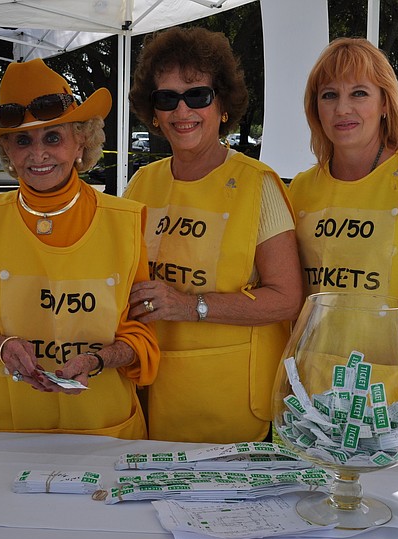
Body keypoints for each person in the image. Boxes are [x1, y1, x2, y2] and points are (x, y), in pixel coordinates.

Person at [0, 59, 159, 438]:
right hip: (8, 427)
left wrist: (99, 359)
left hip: (103, 427)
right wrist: (1, 346)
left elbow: (142, 337)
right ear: (7, 149)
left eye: (52, 137)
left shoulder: (125, 221)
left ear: (81, 141)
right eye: (22, 140)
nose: (37, 154)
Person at [125, 27, 303, 444]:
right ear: (153, 112)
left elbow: (287, 298)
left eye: (197, 95)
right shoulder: (140, 184)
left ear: (222, 104)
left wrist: (188, 307)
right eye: (166, 98)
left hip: (231, 399)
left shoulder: (258, 184)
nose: (181, 109)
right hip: (150, 389)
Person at [289, 38, 398, 465]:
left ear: (386, 103)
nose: (342, 109)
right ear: (316, 109)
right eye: (329, 96)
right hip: (316, 403)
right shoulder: (299, 189)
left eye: (359, 94)